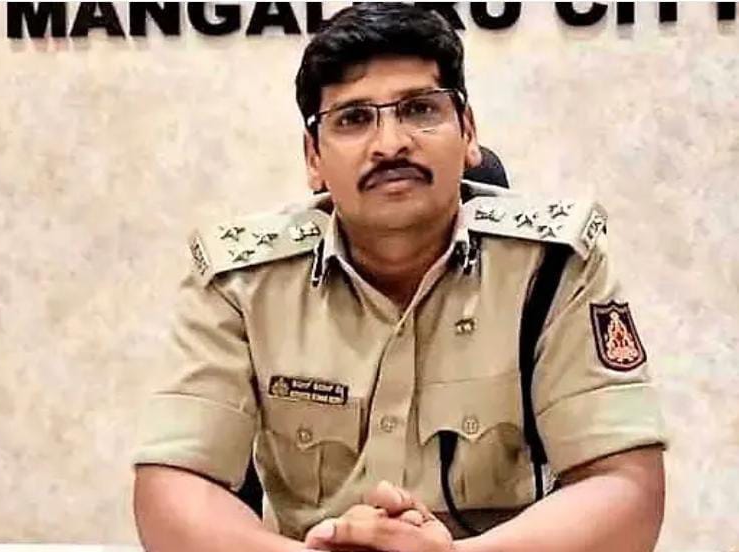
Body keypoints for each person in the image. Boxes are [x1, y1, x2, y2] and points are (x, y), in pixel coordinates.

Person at [132, 4, 666, 551]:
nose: (389, 144)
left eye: (419, 109)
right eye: (353, 119)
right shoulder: (241, 282)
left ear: (468, 131)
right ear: (314, 157)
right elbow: (172, 488)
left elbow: (624, 488)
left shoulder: (551, 266)